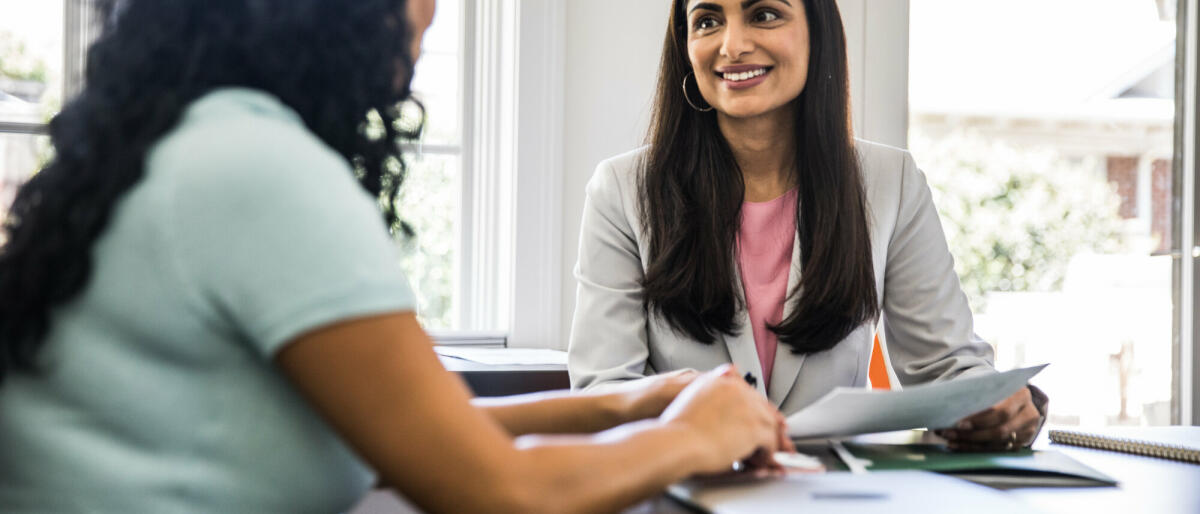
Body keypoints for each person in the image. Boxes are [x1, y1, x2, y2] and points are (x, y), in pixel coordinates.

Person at [0, 1, 793, 512]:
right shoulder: (261, 173)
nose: (433, 11)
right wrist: (695, 435)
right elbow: (495, 491)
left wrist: (625, 406)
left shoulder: (191, 143)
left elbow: (409, 430)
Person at [567, 0, 1047, 452]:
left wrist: (996, 404)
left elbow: (946, 369)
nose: (731, 46)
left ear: (817, 32)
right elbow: (603, 393)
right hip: (682, 488)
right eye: (708, 20)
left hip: (833, 493)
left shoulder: (890, 182)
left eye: (765, 14)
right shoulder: (622, 189)